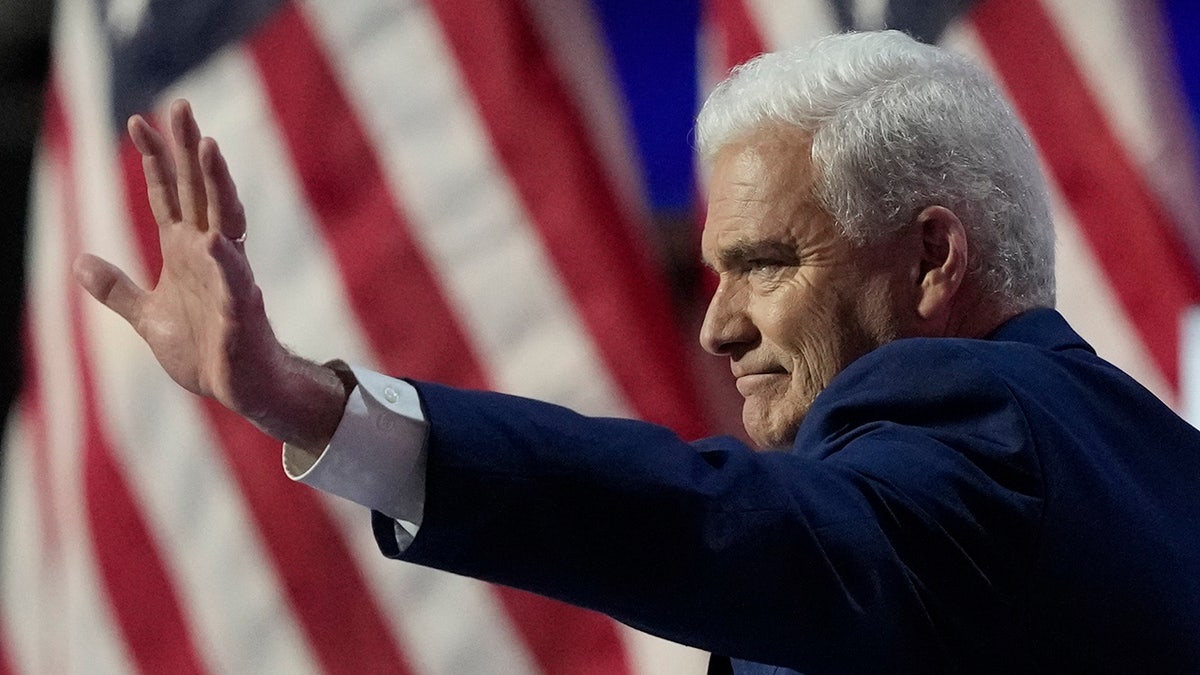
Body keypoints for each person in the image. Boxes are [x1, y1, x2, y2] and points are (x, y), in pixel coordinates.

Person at [74, 30, 1200, 673]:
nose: (717, 324)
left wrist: (319, 408)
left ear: (933, 257)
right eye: (711, 273)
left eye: (765, 262)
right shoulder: (1149, 471)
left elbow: (712, 524)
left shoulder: (977, 417)